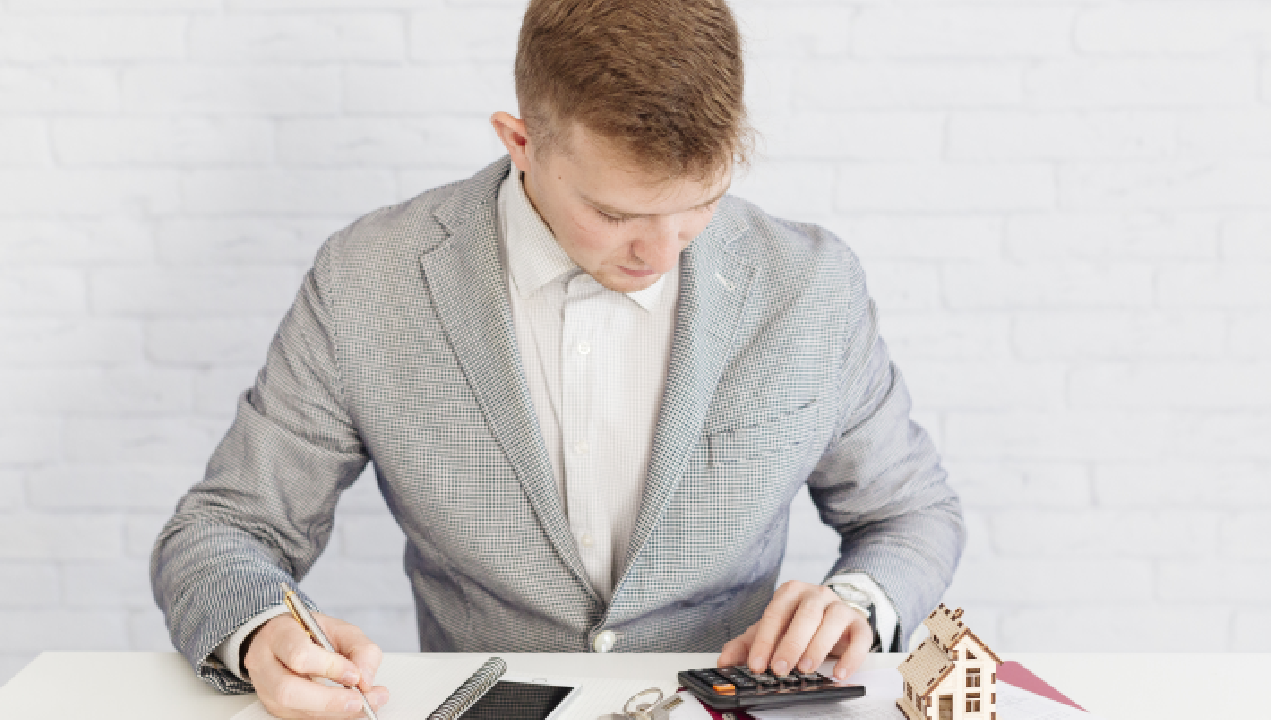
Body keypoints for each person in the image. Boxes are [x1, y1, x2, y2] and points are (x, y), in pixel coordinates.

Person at [151, 0, 965, 717]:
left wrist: (859, 600)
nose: (662, 251)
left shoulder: (810, 285)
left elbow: (910, 514)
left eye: (701, 203)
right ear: (521, 143)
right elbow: (226, 528)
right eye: (614, 213)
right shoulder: (371, 280)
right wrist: (260, 632)